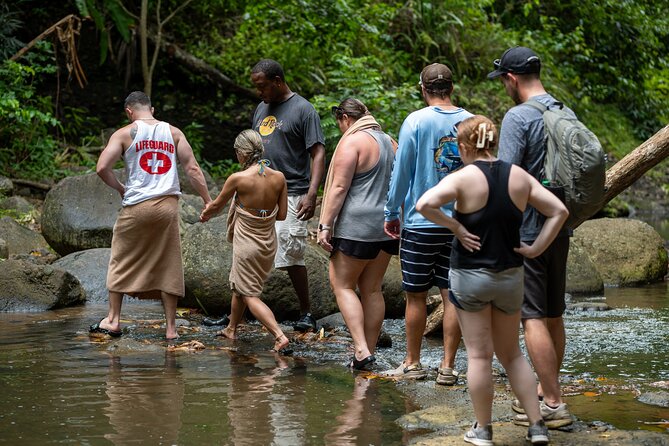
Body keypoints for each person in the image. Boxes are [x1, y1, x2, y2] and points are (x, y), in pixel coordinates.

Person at [417, 115, 567, 445]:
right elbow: (558, 211)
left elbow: (424, 204)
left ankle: (483, 430)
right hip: (511, 276)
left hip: (471, 276)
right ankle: (538, 426)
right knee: (512, 354)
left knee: (479, 357)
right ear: (494, 141)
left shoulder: (464, 178)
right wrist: (535, 248)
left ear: (465, 145)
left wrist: (455, 227)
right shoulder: (518, 176)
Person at [487, 46, 575, 428]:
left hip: (527, 231)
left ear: (510, 78)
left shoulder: (518, 116)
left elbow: (506, 179)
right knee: (553, 313)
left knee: (532, 317)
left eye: (502, 80)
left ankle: (552, 403)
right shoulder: (563, 110)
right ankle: (548, 389)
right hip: (560, 224)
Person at [90, 91, 212, 340]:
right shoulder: (174, 132)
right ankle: (171, 329)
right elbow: (192, 168)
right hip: (167, 207)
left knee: (121, 259)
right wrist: (208, 201)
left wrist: (120, 188)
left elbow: (102, 167)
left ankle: (113, 320)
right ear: (152, 110)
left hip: (137, 207)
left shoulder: (124, 133)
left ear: (129, 112)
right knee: (169, 263)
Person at [382, 63, 472, 383]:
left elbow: (401, 170)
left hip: (420, 223)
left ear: (423, 89)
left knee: (416, 296)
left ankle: (413, 362)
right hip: (458, 224)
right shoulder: (470, 122)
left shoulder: (415, 121)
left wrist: (391, 213)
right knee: (452, 296)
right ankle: (447, 367)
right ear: (452, 87)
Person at [316, 99, 398, 370]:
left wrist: (325, 225)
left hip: (356, 227)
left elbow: (339, 187)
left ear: (345, 118)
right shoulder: (390, 142)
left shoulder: (353, 143)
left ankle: (361, 349)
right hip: (386, 227)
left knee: (342, 285)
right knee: (373, 289)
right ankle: (369, 351)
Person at [251, 59, 326, 333]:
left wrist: (312, 192)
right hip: (260, 191)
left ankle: (306, 312)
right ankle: (238, 313)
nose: (259, 92)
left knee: (291, 254)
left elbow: (317, 152)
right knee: (250, 250)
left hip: (293, 192)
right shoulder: (261, 108)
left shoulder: (303, 110)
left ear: (278, 81)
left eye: (262, 86)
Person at [200, 129, 290, 353]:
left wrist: (205, 214)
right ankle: (231, 328)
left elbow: (217, 205)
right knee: (240, 286)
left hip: (247, 244)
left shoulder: (238, 179)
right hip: (267, 243)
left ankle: (279, 336)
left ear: (241, 153)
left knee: (249, 294)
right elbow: (282, 215)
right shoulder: (279, 178)